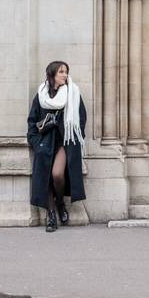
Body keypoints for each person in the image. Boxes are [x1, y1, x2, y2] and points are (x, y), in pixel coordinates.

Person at [27, 61, 87, 232]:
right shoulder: (41, 95)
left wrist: (76, 138)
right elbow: (32, 121)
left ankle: (60, 202)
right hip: (45, 143)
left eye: (66, 72)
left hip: (64, 143)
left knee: (57, 174)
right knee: (45, 174)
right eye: (61, 72)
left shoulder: (72, 93)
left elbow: (81, 118)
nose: (65, 75)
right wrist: (35, 143)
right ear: (52, 74)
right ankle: (51, 215)